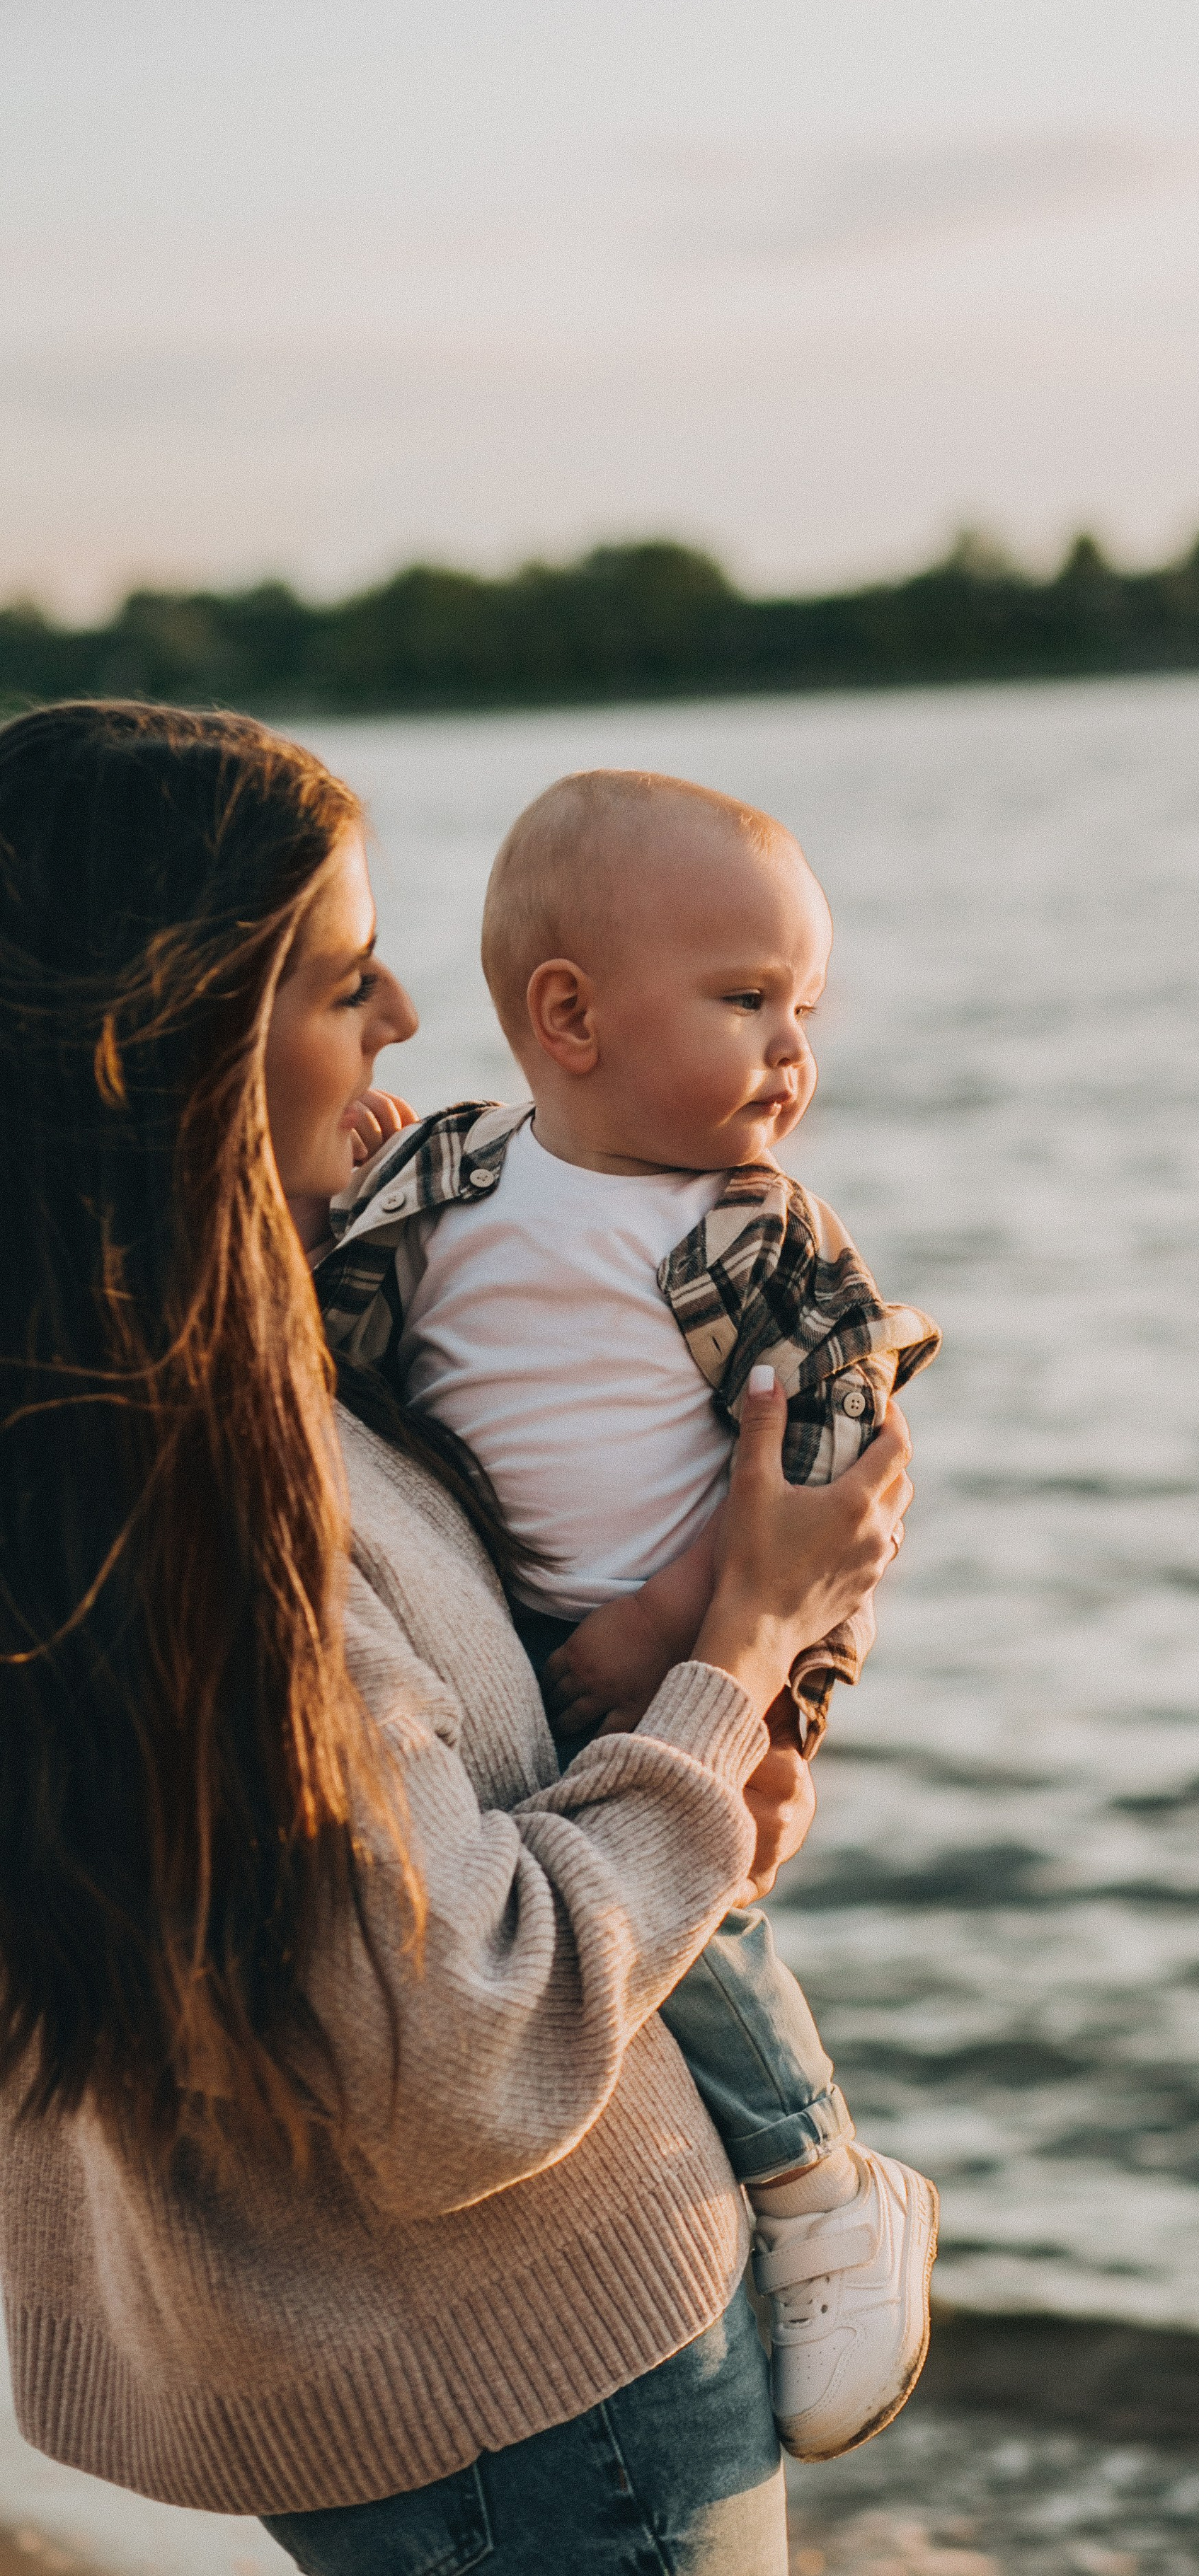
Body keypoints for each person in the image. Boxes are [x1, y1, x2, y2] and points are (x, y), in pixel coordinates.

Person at [0, 702, 913, 2575]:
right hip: (538, 2399)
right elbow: (459, 2054)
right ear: (167, 1042)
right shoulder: (207, 1514)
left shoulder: (123, 1417)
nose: (411, 1020)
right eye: (344, 982)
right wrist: (734, 1661)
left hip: (370, 2375)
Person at [311, 769, 940, 2464]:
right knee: (582, 1924)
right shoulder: (452, 1181)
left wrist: (706, 1655)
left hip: (679, 1650)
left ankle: (818, 2182)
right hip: (495, 1646)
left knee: (698, 1917)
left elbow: (826, 1482)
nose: (793, 1052)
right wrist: (335, 1185)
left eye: (804, 1007)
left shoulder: (759, 1241)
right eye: (746, 1002)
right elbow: (328, 1318)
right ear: (567, 1018)